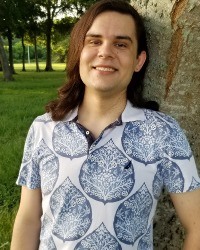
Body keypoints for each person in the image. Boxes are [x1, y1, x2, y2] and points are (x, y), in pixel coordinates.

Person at [11, 0, 200, 249]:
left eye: (121, 44)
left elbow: (196, 225)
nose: (106, 52)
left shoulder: (163, 132)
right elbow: (28, 219)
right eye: (94, 41)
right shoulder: (44, 129)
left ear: (138, 61)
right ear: (79, 51)